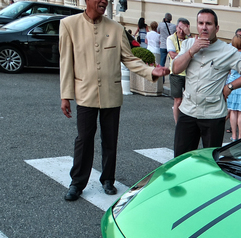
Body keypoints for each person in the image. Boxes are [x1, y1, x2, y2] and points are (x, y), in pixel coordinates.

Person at [59, 0, 170, 201]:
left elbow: (129, 59)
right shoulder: (69, 25)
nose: (104, 2)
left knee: (110, 139)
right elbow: (66, 62)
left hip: (111, 93)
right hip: (85, 93)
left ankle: (108, 179)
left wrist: (150, 71)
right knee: (84, 139)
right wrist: (65, 95)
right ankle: (77, 182)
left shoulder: (116, 28)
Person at [172, 8, 241, 157]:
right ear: (197, 26)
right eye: (201, 23)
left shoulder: (227, 50)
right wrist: (192, 51)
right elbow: (176, 68)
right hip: (188, 111)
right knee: (180, 159)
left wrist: (230, 87)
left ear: (216, 28)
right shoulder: (188, 44)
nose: (204, 27)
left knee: (210, 162)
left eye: (209, 24)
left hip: (212, 115)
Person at [167, 18, 190, 124]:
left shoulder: (189, 40)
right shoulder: (171, 39)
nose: (181, 31)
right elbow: (172, 55)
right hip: (176, 73)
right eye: (180, 28)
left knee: (189, 100)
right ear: (176, 27)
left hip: (188, 74)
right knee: (178, 100)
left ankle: (186, 122)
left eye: (184, 29)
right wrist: (187, 56)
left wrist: (189, 36)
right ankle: (178, 124)